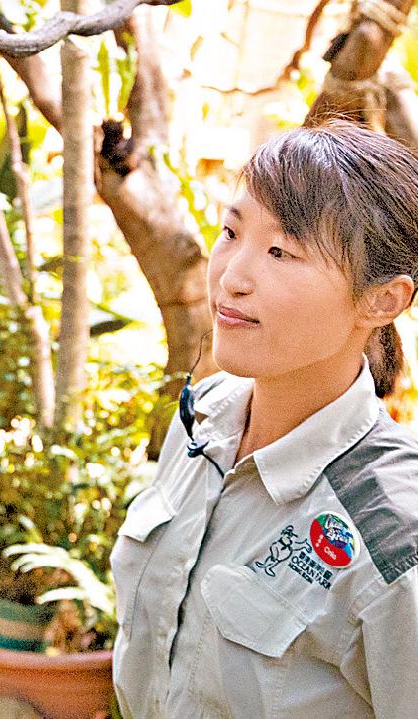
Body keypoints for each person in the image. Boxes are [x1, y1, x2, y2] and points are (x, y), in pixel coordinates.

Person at [111, 120, 418, 718]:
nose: (232, 278)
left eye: (282, 251)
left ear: (383, 299)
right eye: (231, 232)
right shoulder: (203, 417)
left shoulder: (393, 539)